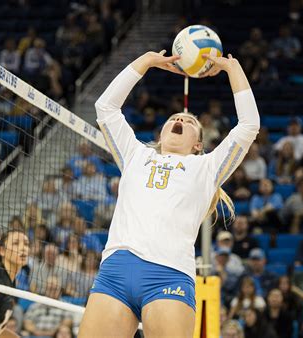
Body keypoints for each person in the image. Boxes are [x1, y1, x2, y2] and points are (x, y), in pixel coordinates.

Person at [78, 51, 260, 337]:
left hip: (169, 275)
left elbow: (249, 125)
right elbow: (106, 107)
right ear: (161, 134)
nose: (180, 120)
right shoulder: (135, 154)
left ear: (199, 144)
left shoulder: (207, 167)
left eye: (189, 122)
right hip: (116, 271)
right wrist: (146, 62)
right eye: (175, 118)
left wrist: (232, 68)